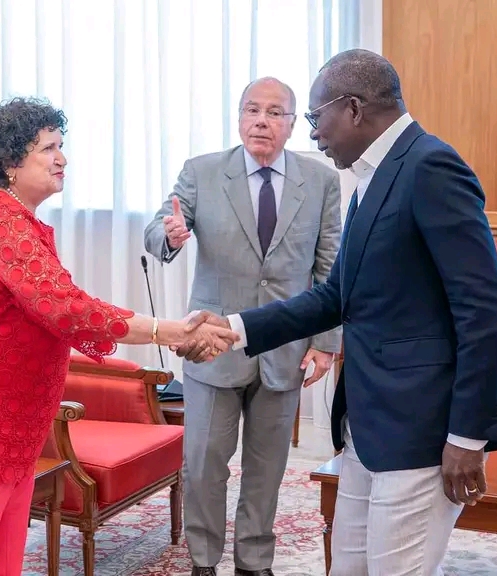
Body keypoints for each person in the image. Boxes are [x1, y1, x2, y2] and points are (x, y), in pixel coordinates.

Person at [180, 50, 497, 576]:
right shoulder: (372, 177)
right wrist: (235, 327)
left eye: (316, 117)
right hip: (366, 424)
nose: (313, 133)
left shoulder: (430, 167)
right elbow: (335, 296)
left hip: (421, 432)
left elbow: (484, 311)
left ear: (354, 109)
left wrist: (468, 438)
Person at [0, 97, 238, 576]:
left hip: (4, 424)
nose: (62, 158)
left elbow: (53, 308)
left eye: (60, 146)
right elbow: (67, 309)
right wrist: (166, 330)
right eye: (47, 148)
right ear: (10, 162)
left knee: (0, 562)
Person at [144, 77, 342, 576]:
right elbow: (158, 229)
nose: (261, 121)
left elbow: (330, 266)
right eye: (252, 110)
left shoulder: (320, 181)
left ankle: (254, 561)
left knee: (266, 467)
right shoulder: (203, 171)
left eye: (275, 113)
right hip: (213, 346)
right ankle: (203, 560)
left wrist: (325, 342)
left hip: (285, 347)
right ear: (238, 118)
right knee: (203, 464)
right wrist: (168, 235)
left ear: (292, 124)